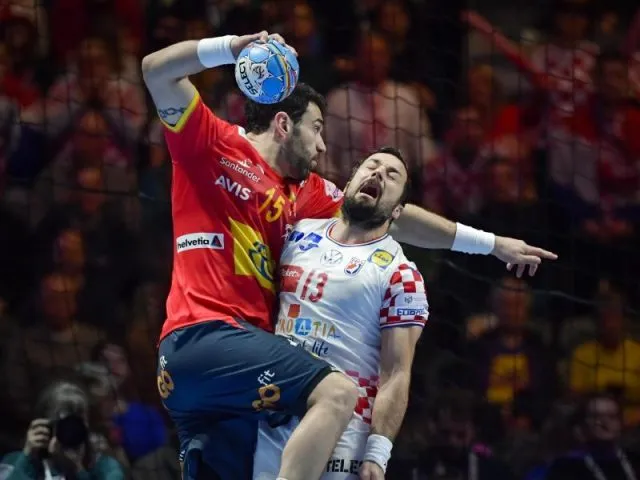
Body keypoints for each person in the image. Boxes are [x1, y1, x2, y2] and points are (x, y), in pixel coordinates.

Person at [141, 30, 557, 480]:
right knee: (337, 393)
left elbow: (395, 216)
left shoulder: (306, 195)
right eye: (317, 129)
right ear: (283, 125)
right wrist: (230, 48)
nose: (323, 147)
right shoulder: (212, 142)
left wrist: (490, 243)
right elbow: (155, 71)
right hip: (208, 333)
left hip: (221, 380)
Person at [253, 146, 427, 480]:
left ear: (397, 211)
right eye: (372, 166)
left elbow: (396, 372)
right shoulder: (298, 233)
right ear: (347, 185)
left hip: (345, 431)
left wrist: (377, 454)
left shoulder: (401, 273)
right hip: (273, 416)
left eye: (392, 175)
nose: (378, 173)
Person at [0, 380, 125, 480]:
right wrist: (27, 459)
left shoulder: (106, 468)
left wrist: (78, 471)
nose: (70, 430)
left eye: (77, 423)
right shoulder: (14, 462)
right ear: (44, 425)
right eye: (63, 424)